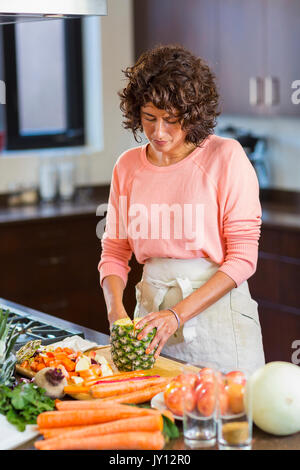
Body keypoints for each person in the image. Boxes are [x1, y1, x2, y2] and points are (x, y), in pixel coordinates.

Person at [98, 44, 265, 374]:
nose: (159, 132)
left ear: (193, 114)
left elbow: (243, 258)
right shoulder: (127, 167)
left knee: (227, 419)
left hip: (219, 322)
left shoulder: (225, 157)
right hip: (149, 320)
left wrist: (177, 315)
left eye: (171, 120)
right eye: (149, 118)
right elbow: (115, 252)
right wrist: (116, 310)